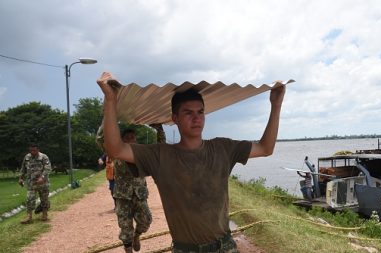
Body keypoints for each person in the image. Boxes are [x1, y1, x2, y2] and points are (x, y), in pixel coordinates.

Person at [97, 71, 285, 253]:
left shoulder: (223, 148)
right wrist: (111, 100)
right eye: (188, 113)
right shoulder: (160, 155)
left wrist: (276, 105)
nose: (197, 118)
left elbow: (265, 148)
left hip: (225, 247)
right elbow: (116, 149)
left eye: (200, 112)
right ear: (175, 119)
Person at [97, 127, 152, 253]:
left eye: (133, 137)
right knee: (125, 226)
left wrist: (159, 128)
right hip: (123, 196)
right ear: (122, 140)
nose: (131, 139)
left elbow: (160, 150)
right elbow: (100, 139)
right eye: (128, 138)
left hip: (140, 194)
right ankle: (128, 249)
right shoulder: (116, 152)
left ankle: (136, 236)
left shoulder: (142, 153)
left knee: (146, 221)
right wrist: (106, 120)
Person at [19, 143, 52, 224]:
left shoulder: (44, 157)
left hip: (43, 183)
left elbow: (48, 168)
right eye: (31, 150)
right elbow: (23, 168)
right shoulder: (27, 157)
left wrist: (42, 177)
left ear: (38, 150)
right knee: (29, 199)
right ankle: (29, 217)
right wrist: (20, 178)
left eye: (34, 150)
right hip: (31, 183)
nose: (32, 152)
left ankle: (44, 214)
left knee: (44, 199)